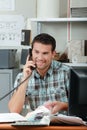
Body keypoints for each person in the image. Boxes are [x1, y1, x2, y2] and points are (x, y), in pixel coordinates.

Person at [8, 33, 70, 115]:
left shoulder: (66, 72)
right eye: (36, 52)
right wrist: (25, 80)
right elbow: (14, 110)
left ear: (53, 54)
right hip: (38, 125)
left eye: (45, 53)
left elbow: (81, 106)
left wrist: (63, 106)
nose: (40, 58)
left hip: (62, 125)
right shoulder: (22, 76)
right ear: (31, 52)